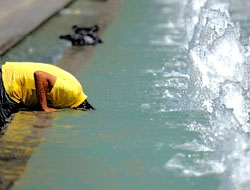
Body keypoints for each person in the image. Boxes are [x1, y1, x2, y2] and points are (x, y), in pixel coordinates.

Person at [0, 62, 94, 128]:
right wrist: (44, 107)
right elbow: (39, 75)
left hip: (10, 73)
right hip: (10, 83)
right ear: (80, 109)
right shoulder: (71, 94)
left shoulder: (76, 90)